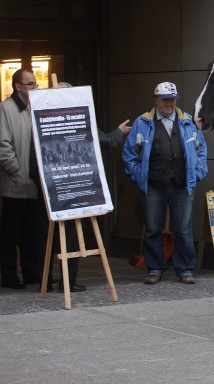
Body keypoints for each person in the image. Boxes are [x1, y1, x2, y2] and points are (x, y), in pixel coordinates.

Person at [122, 81, 208, 285]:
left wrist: (197, 173)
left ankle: (185, 269)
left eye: (172, 99)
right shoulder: (143, 122)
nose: (169, 103)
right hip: (153, 185)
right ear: (156, 101)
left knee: (183, 229)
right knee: (152, 228)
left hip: (182, 184)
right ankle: (154, 268)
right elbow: (129, 155)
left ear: (176, 99)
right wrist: (138, 175)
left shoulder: (187, 121)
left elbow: (201, 150)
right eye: (164, 100)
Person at [50, 82, 132, 292]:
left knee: (59, 235)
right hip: (69, 187)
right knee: (68, 236)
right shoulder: (76, 118)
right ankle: (65, 281)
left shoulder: (46, 117)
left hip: (56, 187)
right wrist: (118, 133)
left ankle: (57, 279)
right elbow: (102, 139)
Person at [0, 68, 48, 290]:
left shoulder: (34, 108)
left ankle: (32, 274)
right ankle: (9, 276)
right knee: (10, 233)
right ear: (18, 86)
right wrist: (16, 170)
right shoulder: (6, 109)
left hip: (34, 183)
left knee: (32, 233)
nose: (34, 87)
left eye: (35, 84)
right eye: (30, 84)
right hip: (15, 184)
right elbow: (2, 145)